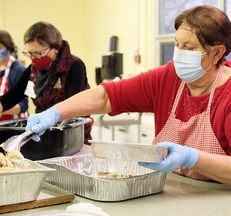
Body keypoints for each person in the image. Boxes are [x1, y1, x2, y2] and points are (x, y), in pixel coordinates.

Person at [24, 5, 231, 185]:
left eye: (189, 47)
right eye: (177, 45)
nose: (179, 53)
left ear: (218, 52)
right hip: (173, 191)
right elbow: (105, 97)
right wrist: (53, 114)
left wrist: (191, 158)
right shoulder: (168, 78)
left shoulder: (228, 93)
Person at [0, 21, 91, 143]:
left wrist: (51, 116)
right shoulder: (33, 70)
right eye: (30, 53)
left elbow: (74, 106)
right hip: (44, 133)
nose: (33, 58)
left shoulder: (74, 66)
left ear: (55, 47)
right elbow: (10, 97)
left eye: (38, 53)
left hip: (72, 136)